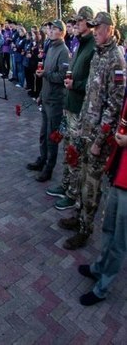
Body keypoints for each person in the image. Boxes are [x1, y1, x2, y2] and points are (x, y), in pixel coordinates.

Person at [58, 12, 126, 250]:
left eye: (99, 28)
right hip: (85, 129)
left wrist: (100, 140)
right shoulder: (98, 54)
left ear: (109, 29)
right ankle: (78, 217)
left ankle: (85, 230)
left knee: (91, 186)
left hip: (100, 137)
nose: (94, 31)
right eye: (94, 27)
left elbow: (114, 106)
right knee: (81, 175)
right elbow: (91, 96)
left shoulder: (116, 59)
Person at [44, 7, 95, 209]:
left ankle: (73, 194)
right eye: (75, 22)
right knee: (68, 149)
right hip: (69, 105)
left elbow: (94, 82)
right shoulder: (79, 45)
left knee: (75, 152)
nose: (75, 25)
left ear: (89, 23)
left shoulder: (92, 47)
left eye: (79, 21)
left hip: (79, 108)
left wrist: (76, 85)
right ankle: (65, 186)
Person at [77, 113, 127, 306]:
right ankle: (99, 268)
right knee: (108, 228)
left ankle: (103, 287)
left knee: (119, 240)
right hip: (119, 171)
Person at [28, 20, 69, 182]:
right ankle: (42, 159)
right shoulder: (51, 47)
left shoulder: (63, 51)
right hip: (46, 97)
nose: (50, 31)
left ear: (61, 32)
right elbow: (46, 73)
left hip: (55, 101)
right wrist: (40, 95)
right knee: (43, 134)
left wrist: (45, 74)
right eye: (50, 28)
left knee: (52, 136)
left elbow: (62, 77)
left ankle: (49, 167)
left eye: (53, 29)